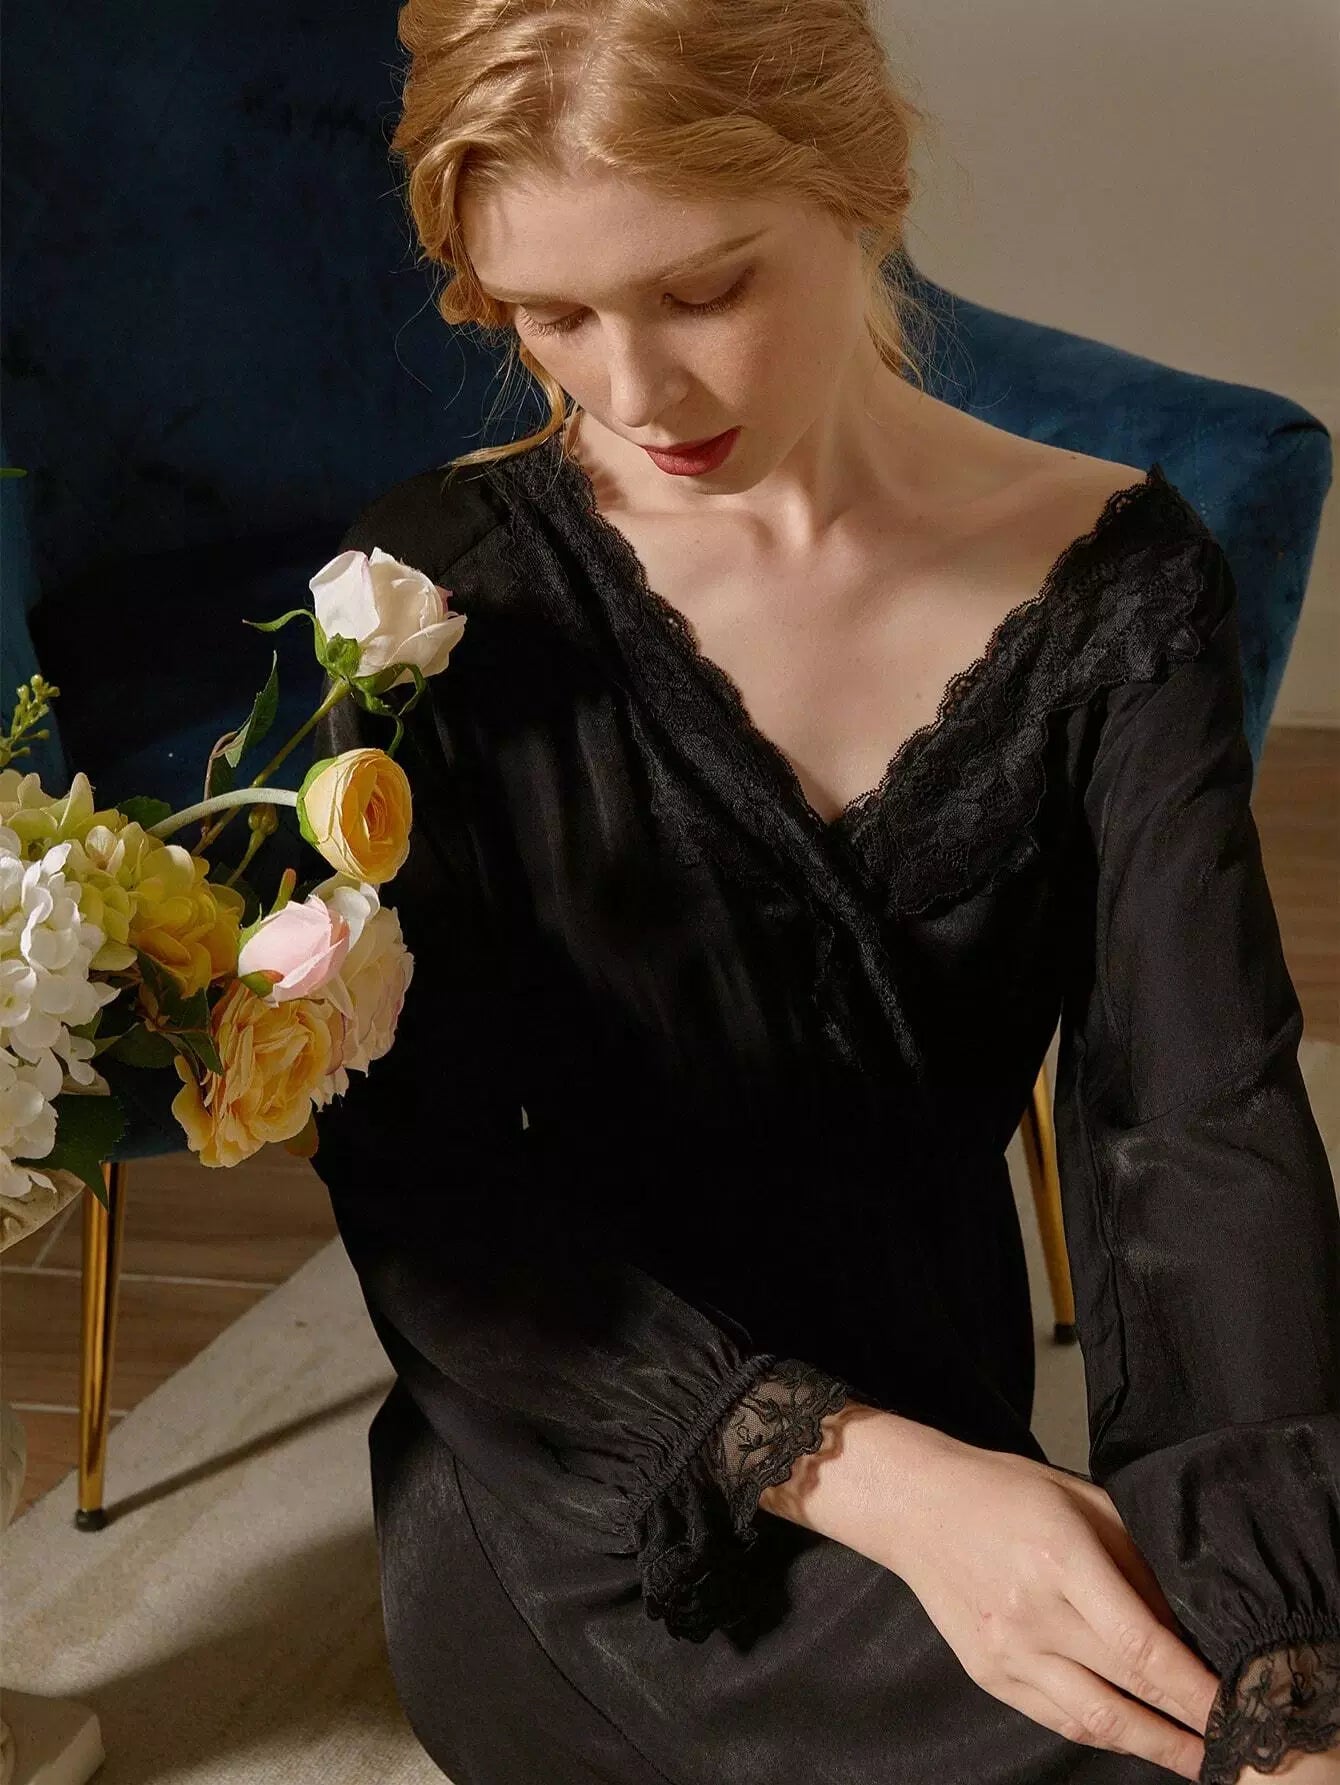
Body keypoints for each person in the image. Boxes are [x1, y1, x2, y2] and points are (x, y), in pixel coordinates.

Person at [307, 2, 1340, 1780]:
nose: (635, 392)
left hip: (953, 1405)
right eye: (553, 318)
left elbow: (1195, 1129)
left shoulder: (1123, 586)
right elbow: (429, 1191)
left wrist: (1279, 1634)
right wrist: (892, 1486)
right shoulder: (431, 598)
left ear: (865, 185)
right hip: (591, 1498)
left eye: (703, 290)